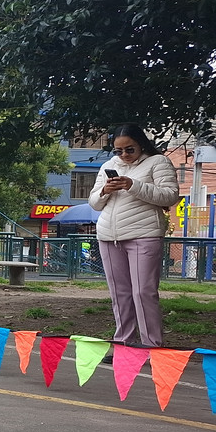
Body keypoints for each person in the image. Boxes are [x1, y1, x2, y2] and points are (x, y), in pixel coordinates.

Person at [88, 123, 181, 347]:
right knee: (119, 293)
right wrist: (104, 191)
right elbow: (94, 203)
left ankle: (152, 346)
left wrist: (132, 185)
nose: (124, 155)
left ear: (141, 144)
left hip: (144, 234)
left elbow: (170, 196)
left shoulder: (157, 162)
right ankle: (123, 343)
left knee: (143, 292)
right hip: (109, 235)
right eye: (118, 151)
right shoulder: (109, 166)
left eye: (130, 149)